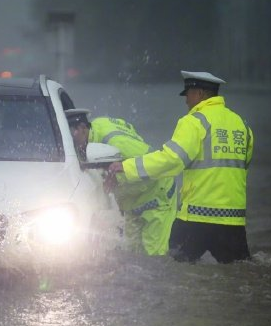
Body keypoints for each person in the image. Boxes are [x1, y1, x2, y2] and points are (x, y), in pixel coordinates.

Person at [108, 71, 253, 263]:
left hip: (197, 216)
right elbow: (245, 163)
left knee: (173, 269)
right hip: (233, 221)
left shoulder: (194, 121)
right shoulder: (241, 124)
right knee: (241, 273)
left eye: (188, 94)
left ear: (200, 94)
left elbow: (172, 159)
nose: (186, 101)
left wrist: (127, 167)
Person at [66, 110, 177, 256]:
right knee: (132, 254)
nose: (71, 143)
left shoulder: (119, 144)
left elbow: (155, 166)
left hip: (157, 198)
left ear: (82, 128)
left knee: (154, 257)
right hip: (134, 201)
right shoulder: (98, 126)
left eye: (71, 136)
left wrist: (117, 178)